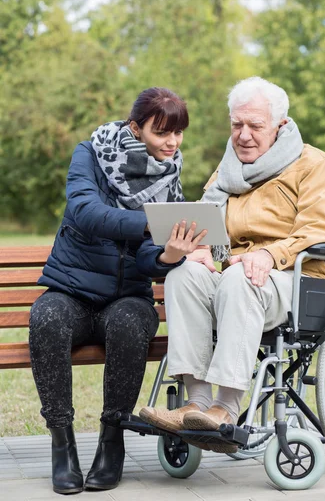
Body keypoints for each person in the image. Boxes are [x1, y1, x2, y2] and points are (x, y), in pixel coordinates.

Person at [139, 76, 325, 452]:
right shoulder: (226, 172)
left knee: (240, 278)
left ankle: (226, 408)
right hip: (244, 276)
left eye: (255, 126)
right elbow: (220, 240)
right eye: (237, 125)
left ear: (280, 126)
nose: (244, 135)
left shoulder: (314, 165)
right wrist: (204, 250)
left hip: (303, 279)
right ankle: (198, 404)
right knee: (185, 273)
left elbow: (324, 229)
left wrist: (269, 255)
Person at [29, 87, 206, 495]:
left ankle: (112, 441)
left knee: (130, 323)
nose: (173, 143)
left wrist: (168, 256)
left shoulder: (168, 175)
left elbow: (149, 259)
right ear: (135, 127)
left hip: (128, 297)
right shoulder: (90, 154)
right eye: (163, 132)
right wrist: (151, 225)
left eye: (178, 133)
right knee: (46, 317)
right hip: (71, 291)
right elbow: (85, 211)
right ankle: (63, 444)